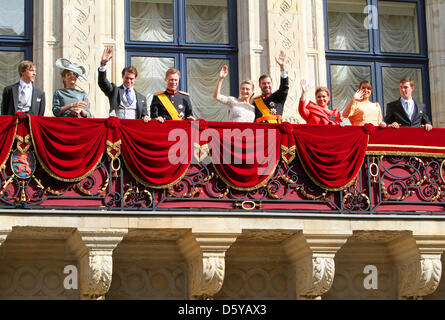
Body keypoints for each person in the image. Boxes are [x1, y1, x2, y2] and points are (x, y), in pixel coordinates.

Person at [98, 46, 150, 122]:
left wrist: (146, 117)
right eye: (126, 78)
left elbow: (144, 115)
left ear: (135, 79)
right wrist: (103, 64)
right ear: (122, 77)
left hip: (133, 130)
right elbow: (103, 82)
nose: (128, 81)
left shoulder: (142, 98)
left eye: (131, 79)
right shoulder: (114, 90)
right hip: (117, 128)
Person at [253, 50, 289, 124]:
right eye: (264, 83)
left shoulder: (278, 97)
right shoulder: (255, 101)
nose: (266, 85)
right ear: (259, 85)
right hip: (261, 132)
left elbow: (284, 87)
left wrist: (282, 68)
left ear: (272, 84)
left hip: (275, 131)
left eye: (268, 83)